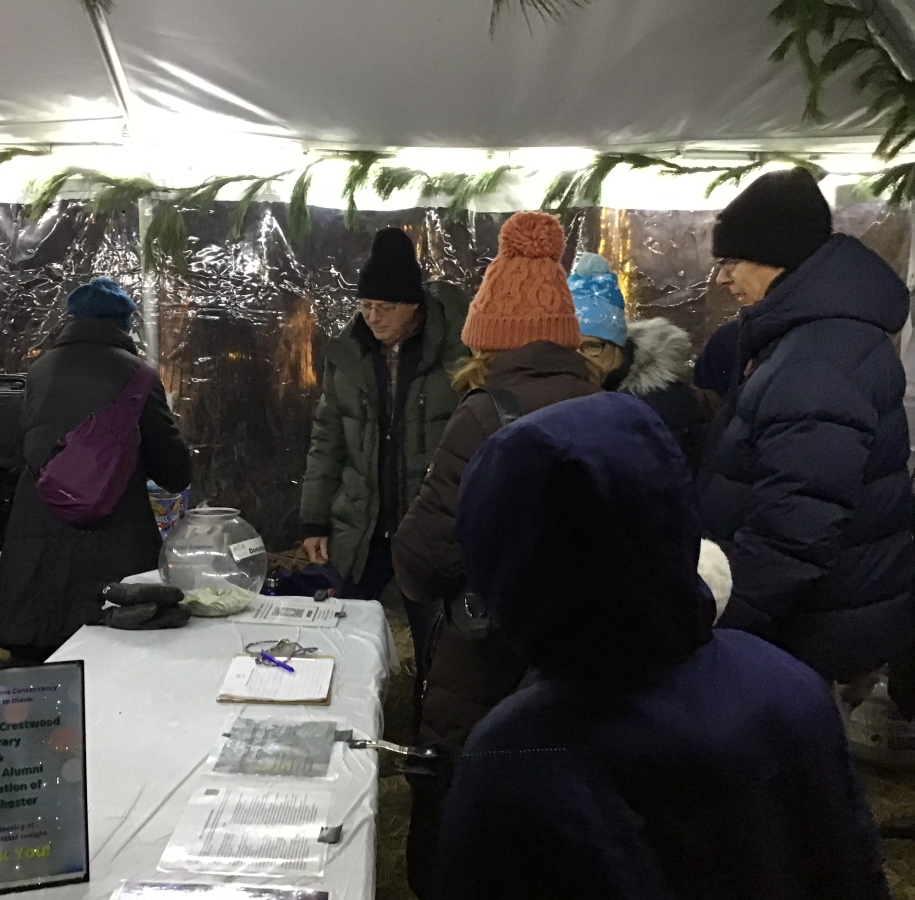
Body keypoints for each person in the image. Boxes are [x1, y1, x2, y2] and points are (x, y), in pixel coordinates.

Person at [435, 392, 890, 900]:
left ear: (504, 559)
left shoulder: (517, 753)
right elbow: (850, 866)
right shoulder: (788, 685)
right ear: (671, 513)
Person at [391, 211, 597, 898]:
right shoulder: (610, 409)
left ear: (491, 334)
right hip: (580, 669)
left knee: (467, 839)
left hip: (486, 669)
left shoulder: (483, 415)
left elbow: (423, 559)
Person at [698, 168, 915, 708]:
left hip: (800, 628)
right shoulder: (811, 337)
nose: (721, 278)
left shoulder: (818, 358)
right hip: (811, 619)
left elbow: (797, 526)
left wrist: (720, 619)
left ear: (778, 257)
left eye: (730, 261)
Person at [0, 277, 191, 663]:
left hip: (34, 555)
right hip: (113, 552)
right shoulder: (138, 376)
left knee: (36, 685)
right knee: (116, 674)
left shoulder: (39, 372)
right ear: (123, 324)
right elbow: (174, 471)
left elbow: (21, 449)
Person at [299, 227, 467, 666]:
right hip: (363, 521)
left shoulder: (459, 353)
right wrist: (315, 519)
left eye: (385, 307)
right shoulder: (350, 353)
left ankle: (424, 722)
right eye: (366, 305)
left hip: (427, 523)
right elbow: (328, 437)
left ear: (414, 305)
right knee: (339, 633)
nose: (373, 317)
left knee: (439, 645)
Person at [567, 252, 704, 469]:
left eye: (592, 346)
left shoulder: (663, 403)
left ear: (619, 344)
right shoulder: (574, 393)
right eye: (569, 348)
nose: (580, 358)